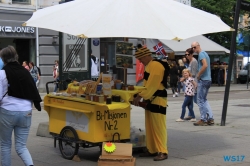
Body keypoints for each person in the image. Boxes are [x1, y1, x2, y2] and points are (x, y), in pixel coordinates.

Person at [0, 46, 41, 166]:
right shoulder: (25, 71)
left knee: (5, 145)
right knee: (21, 146)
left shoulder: (2, 73)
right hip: (26, 111)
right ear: (16, 57)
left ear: (3, 59)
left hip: (8, 111)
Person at [133, 47, 168, 161]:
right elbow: (147, 85)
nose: (140, 61)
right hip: (151, 99)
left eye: (140, 59)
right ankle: (152, 149)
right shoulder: (149, 66)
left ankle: (162, 151)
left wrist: (140, 96)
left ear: (145, 56)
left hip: (158, 99)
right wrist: (140, 94)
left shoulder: (156, 66)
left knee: (158, 127)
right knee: (150, 127)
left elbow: (152, 85)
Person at [191, 42, 214, 126]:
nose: (193, 49)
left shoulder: (201, 54)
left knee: (200, 100)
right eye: (192, 48)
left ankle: (203, 119)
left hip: (203, 80)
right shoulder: (205, 53)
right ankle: (210, 118)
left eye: (194, 47)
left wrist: (199, 75)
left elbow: (205, 65)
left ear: (198, 46)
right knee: (204, 100)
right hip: (208, 79)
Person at [183, 48, 198, 120]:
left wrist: (186, 78)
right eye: (185, 54)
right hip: (189, 84)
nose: (186, 56)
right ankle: (190, 115)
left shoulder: (194, 61)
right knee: (190, 101)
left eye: (188, 54)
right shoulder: (190, 61)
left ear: (192, 54)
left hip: (193, 84)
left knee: (196, 100)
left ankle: (206, 113)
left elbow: (194, 74)